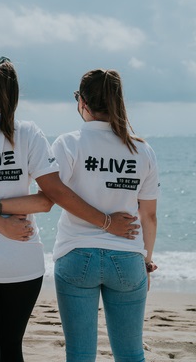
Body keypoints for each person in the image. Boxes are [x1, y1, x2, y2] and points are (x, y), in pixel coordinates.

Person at [0, 57, 140, 362]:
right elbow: (50, 197)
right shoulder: (30, 133)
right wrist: (106, 222)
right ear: (14, 94)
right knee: (11, 350)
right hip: (22, 261)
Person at [52, 69, 159, 361]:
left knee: (80, 354)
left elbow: (54, 193)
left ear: (83, 102)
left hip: (76, 254)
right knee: (131, 354)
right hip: (127, 258)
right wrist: (146, 261)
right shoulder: (141, 149)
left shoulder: (68, 142)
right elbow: (148, 216)